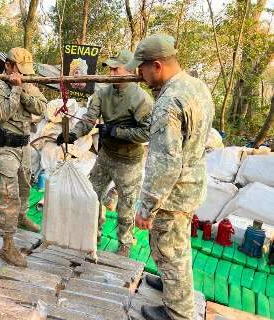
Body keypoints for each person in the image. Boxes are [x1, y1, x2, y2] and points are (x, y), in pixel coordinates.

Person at [129, 34, 214, 320]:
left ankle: (178, 313)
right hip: (191, 185)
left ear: (157, 65)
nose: (140, 75)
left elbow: (165, 164)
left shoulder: (168, 103)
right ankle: (171, 286)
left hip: (173, 194)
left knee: (169, 251)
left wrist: (147, 206)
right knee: (177, 246)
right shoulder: (196, 86)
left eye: (142, 68)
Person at [57, 50, 154, 256]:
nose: (110, 72)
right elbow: (89, 120)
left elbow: (146, 132)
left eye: (115, 68)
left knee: (126, 206)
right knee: (92, 196)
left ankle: (125, 243)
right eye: (109, 68)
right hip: (105, 156)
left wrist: (115, 131)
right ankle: (93, 235)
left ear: (129, 70)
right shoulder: (102, 92)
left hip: (129, 161)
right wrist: (72, 135)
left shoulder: (141, 99)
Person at [0, 48, 47, 267]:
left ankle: (22, 216)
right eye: (19, 70)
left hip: (23, 146)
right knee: (8, 196)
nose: (23, 75)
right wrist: (16, 91)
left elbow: (42, 107)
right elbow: (2, 113)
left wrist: (22, 91)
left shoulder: (26, 84)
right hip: (4, 147)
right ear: (8, 65)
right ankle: (7, 245)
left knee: (25, 187)